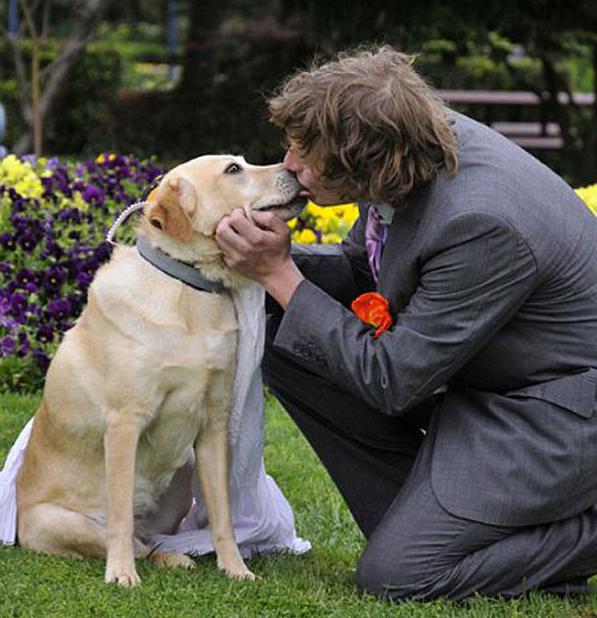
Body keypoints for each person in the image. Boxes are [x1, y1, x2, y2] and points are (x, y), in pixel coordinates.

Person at [214, 46, 597, 601]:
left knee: (398, 576)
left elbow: (393, 380)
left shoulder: (481, 222)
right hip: (484, 378)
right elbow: (363, 270)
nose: (289, 165)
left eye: (307, 153)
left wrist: (279, 275)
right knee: (286, 336)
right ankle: (436, 526)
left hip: (554, 416)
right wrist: (271, 264)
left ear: (364, 160)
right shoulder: (409, 146)